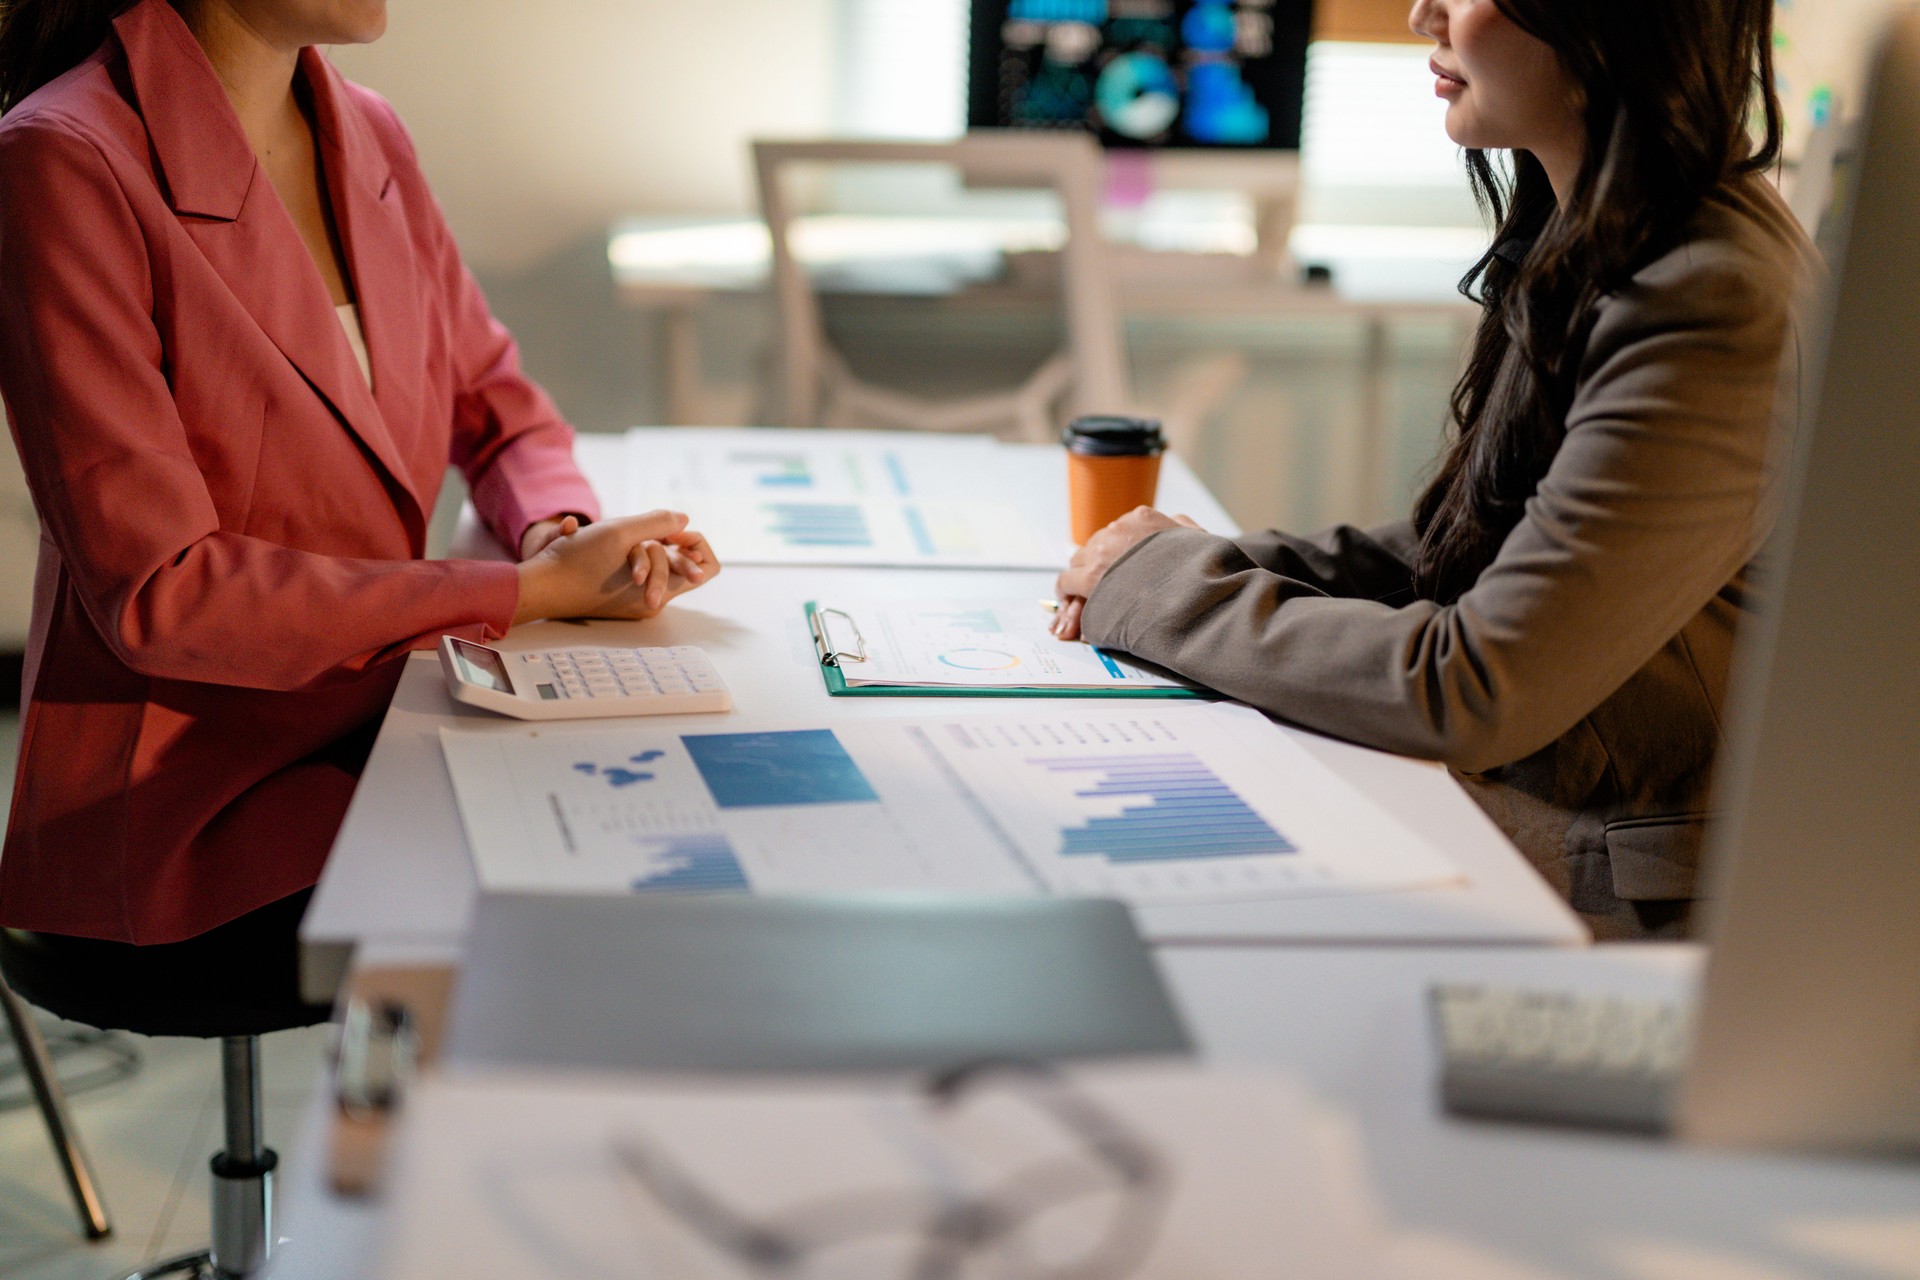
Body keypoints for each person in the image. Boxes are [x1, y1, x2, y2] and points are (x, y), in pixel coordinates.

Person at [1052, 0, 1821, 939]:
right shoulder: (1605, 227)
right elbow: (1484, 542)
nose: (1421, 15)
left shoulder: (1707, 293)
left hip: (1629, 907)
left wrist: (1165, 588)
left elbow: (1475, 687)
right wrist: (1203, 561)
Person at [0, 0, 717, 971]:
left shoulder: (366, 128)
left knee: (657, 837)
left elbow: (494, 399)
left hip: (381, 719)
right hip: (192, 809)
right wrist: (529, 592)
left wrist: (556, 530)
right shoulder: (62, 156)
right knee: (608, 906)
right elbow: (166, 592)